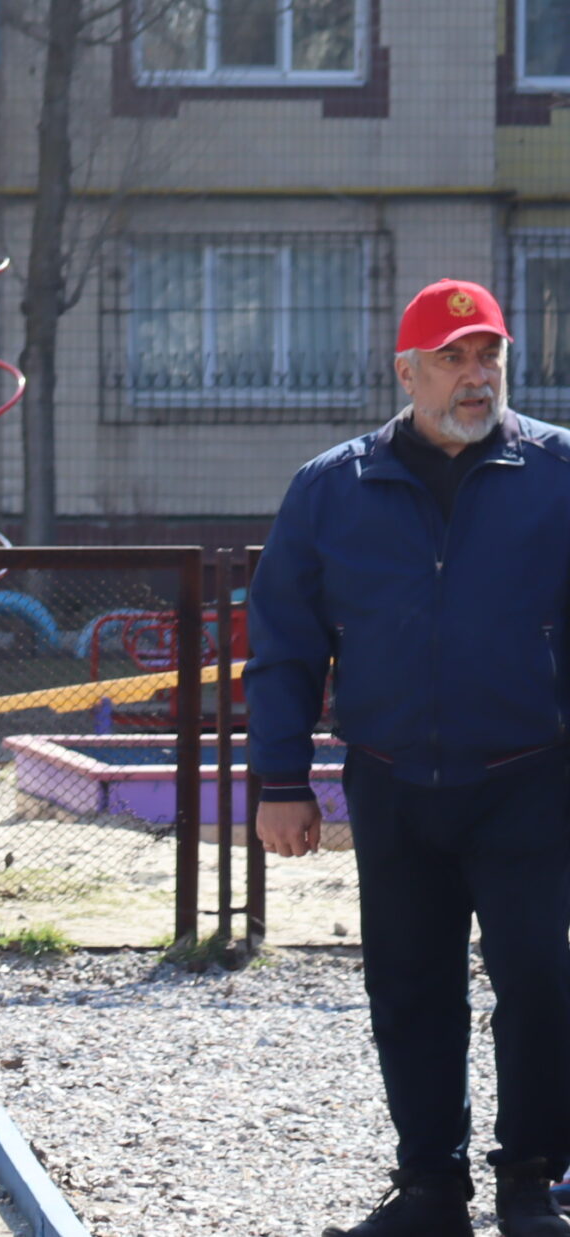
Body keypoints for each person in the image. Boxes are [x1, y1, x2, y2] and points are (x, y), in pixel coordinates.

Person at [248, 278, 570, 1237]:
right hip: (392, 783)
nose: (475, 376)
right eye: (451, 357)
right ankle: (431, 1190)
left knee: (541, 984)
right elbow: (285, 641)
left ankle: (532, 1182)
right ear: (406, 371)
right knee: (409, 986)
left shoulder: (558, 473)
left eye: (489, 355)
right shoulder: (331, 488)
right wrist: (280, 780)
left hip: (528, 780)